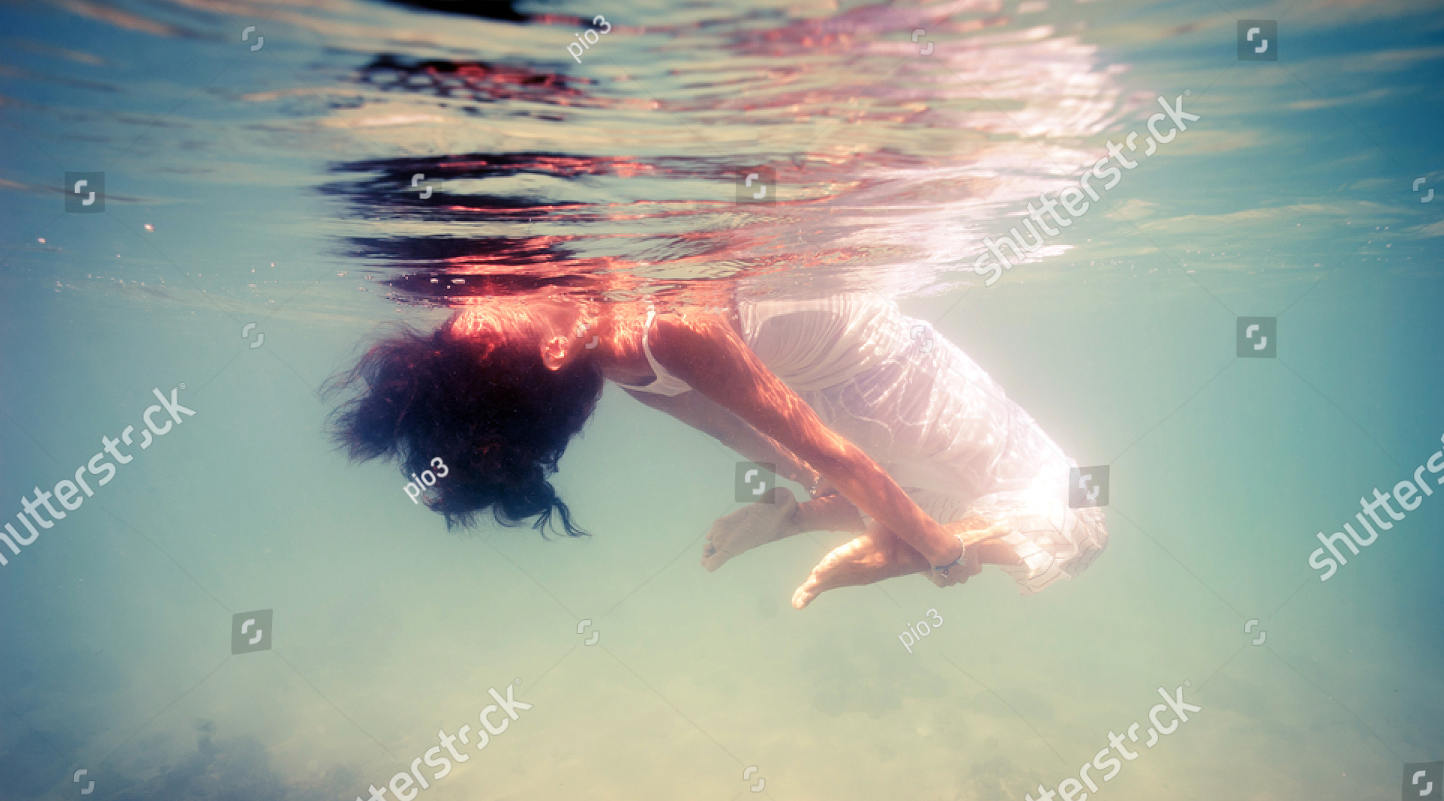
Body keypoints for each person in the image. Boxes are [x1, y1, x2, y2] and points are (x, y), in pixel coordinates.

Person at [327, 289, 1105, 607]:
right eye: (481, 320)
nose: (474, 292)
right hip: (900, 385)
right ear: (554, 351)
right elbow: (832, 457)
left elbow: (763, 439)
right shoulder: (665, 330)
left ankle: (817, 527)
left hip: (852, 409)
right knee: (1083, 515)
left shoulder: (626, 370)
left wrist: (811, 512)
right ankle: (901, 544)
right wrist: (935, 553)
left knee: (929, 500)